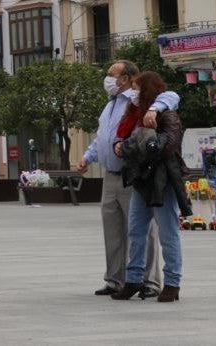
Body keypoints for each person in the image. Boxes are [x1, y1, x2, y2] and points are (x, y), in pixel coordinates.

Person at [75, 60, 176, 298]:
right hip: (110, 175)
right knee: (113, 229)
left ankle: (149, 282)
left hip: (132, 176)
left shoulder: (137, 100)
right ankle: (115, 279)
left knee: (141, 230)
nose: (107, 79)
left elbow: (171, 96)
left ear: (126, 79)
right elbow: (102, 138)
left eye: (112, 75)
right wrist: (88, 157)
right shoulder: (109, 105)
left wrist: (153, 109)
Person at [111, 72, 188, 303]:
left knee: (168, 234)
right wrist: (125, 146)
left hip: (163, 181)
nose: (133, 93)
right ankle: (133, 279)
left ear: (146, 90)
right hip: (142, 181)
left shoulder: (167, 115)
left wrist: (136, 146)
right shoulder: (138, 114)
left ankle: (172, 284)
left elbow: (165, 146)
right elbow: (129, 142)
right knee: (135, 231)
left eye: (136, 88)